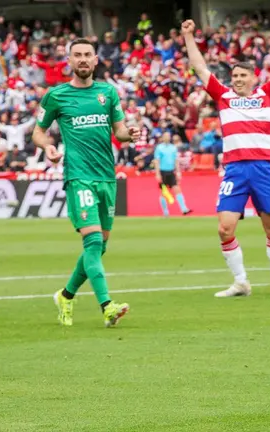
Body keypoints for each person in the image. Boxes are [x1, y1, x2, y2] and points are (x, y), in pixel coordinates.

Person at [181, 18, 270, 297]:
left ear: (253, 78)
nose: (238, 79)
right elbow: (200, 67)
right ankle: (241, 282)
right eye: (235, 76)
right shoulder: (223, 96)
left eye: (242, 76)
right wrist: (188, 36)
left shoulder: (267, 94)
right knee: (225, 229)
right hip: (235, 171)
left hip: (263, 169)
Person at [31, 38, 140, 327]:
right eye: (77, 55)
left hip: (107, 177)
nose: (82, 59)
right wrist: (48, 146)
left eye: (87, 54)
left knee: (98, 247)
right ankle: (107, 306)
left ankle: (65, 296)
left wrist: (130, 133)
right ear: (69, 61)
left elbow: (119, 130)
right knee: (92, 241)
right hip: (78, 176)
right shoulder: (56, 95)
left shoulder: (108, 92)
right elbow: (38, 132)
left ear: (95, 60)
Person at [154, 132, 192, 217]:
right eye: (165, 136)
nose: (167, 137)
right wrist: (157, 173)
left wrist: (178, 172)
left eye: (168, 136)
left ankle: (184, 209)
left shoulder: (173, 148)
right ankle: (165, 212)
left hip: (171, 171)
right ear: (163, 137)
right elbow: (157, 161)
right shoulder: (159, 148)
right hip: (163, 172)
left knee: (177, 189)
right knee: (164, 192)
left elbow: (176, 160)